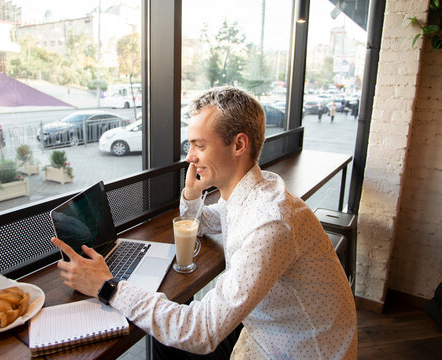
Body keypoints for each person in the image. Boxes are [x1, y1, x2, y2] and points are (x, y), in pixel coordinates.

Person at [51, 86, 357, 359]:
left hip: (300, 349)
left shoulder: (270, 223)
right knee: (165, 341)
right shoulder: (253, 191)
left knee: (174, 340)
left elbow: (201, 331)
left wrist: (108, 287)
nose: (189, 157)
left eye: (199, 145)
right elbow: (205, 221)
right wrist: (191, 193)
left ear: (239, 145)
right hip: (272, 327)